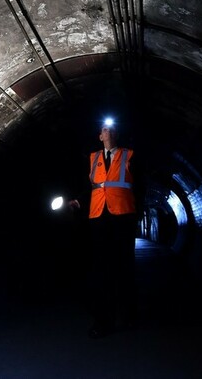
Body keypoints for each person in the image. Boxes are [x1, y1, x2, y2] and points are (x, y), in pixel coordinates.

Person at [69, 118, 141, 339]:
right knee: (101, 271)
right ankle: (103, 321)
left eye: (111, 128)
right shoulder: (93, 158)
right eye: (103, 129)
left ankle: (127, 317)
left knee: (124, 268)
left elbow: (140, 184)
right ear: (100, 137)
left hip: (122, 217)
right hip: (99, 217)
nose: (107, 130)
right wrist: (79, 201)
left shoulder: (129, 155)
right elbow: (90, 186)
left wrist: (137, 211)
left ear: (116, 135)